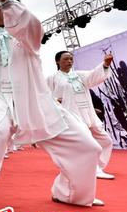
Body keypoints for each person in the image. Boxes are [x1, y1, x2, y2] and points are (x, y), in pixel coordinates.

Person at [0, 0, 102, 212]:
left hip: (33, 101)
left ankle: (70, 193)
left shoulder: (26, 34)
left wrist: (7, 0)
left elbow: (32, 26)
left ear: (13, 7)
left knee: (88, 147)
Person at [47, 51, 116, 180]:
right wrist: (56, 101)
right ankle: (93, 170)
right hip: (71, 115)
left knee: (106, 140)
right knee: (89, 144)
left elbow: (94, 75)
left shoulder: (79, 75)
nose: (69, 61)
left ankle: (98, 166)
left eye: (71, 59)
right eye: (66, 59)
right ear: (57, 61)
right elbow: (45, 95)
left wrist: (105, 64)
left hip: (88, 113)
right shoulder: (52, 78)